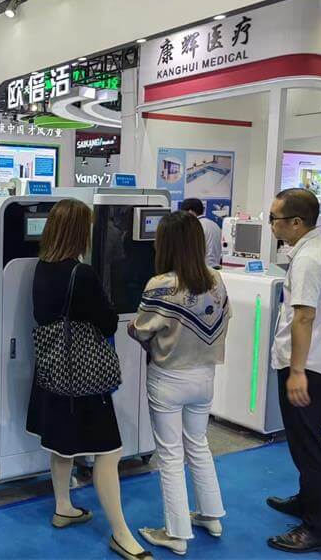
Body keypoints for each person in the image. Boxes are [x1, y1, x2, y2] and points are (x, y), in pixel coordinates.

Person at [27, 199, 152, 560]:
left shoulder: (42, 267)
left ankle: (64, 507)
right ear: (80, 232)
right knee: (109, 453)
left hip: (54, 373)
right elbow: (108, 322)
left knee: (62, 446)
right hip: (84, 377)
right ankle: (121, 533)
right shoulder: (81, 274)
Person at [127, 212, 231, 556]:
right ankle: (211, 516)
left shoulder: (160, 285)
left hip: (169, 377)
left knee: (170, 455)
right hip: (205, 376)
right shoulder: (216, 279)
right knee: (198, 444)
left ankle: (175, 533)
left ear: (166, 244)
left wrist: (135, 330)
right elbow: (224, 320)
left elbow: (142, 328)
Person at [265, 188, 321, 554]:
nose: (271, 225)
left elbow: (304, 317)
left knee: (309, 447)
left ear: (296, 222)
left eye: (274, 219)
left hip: (307, 366)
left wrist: (297, 371)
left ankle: (316, 529)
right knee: (300, 442)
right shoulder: (314, 249)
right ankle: (306, 501)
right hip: (311, 362)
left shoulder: (311, 258)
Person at [181, 198, 222, 269]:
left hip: (202, 269)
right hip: (216, 268)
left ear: (190, 212)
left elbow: (190, 252)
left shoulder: (194, 226)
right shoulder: (214, 224)